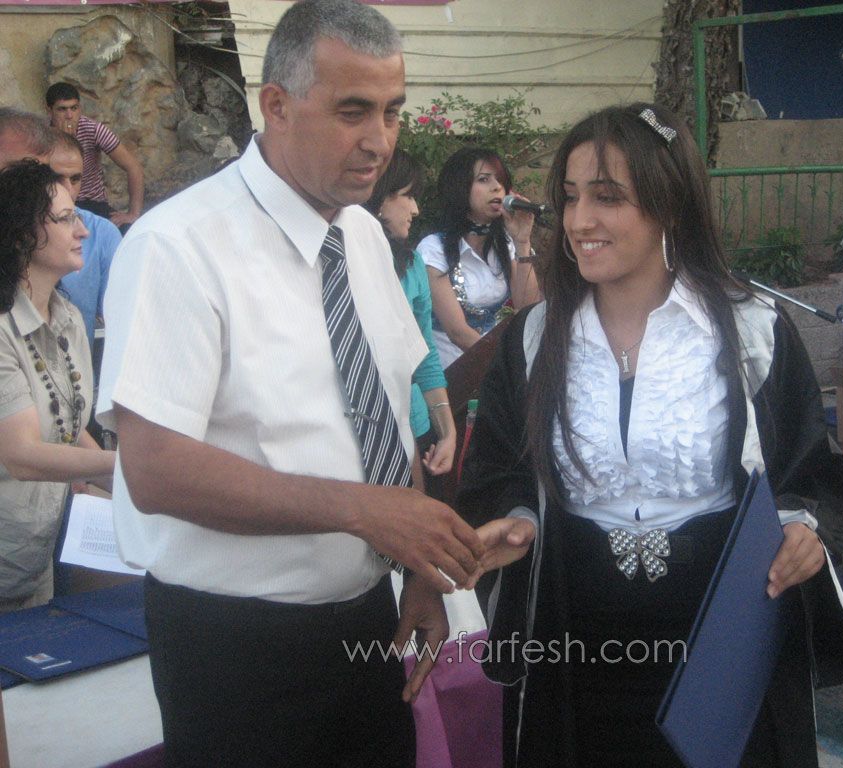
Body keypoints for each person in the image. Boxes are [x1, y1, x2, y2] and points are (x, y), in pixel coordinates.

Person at [96, 1, 483, 765]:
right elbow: (154, 469)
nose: (379, 141)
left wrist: (417, 566)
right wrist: (363, 511)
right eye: (352, 111)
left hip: (368, 621)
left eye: (392, 112)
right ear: (275, 105)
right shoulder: (179, 246)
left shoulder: (363, 235)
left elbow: (382, 411)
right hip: (235, 647)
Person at [458, 103, 843, 768]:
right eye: (571, 197)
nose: (579, 221)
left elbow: (801, 468)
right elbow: (500, 465)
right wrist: (518, 517)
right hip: (577, 638)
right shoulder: (534, 339)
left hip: (723, 634)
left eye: (607, 196)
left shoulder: (750, 330)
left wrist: (801, 530)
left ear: (669, 205)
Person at [0, 160, 115, 611]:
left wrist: (132, 485)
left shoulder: (66, 317)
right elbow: (22, 454)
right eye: (66, 219)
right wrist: (133, 468)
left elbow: (68, 427)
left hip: (33, 560)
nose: (83, 230)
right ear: (22, 235)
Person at [366, 148, 456, 496]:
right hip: (362, 428)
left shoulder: (413, 264)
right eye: (407, 196)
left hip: (414, 424)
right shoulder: (343, 262)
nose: (416, 209)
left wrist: (447, 430)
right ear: (379, 197)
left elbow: (424, 351)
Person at [417, 146, 540, 368]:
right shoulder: (434, 249)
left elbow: (528, 308)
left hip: (495, 365)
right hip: (453, 371)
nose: (497, 187)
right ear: (459, 188)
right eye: (484, 179)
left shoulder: (506, 243)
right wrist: (507, 366)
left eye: (501, 180)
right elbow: (457, 332)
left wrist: (523, 243)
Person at [48, 131, 121, 348]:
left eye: (75, 179)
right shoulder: (16, 230)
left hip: (80, 363)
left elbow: (118, 316)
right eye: (56, 178)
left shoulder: (102, 233)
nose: (68, 189)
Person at [45, 82, 145, 227]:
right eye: (62, 109)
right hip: (53, 200)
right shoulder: (41, 134)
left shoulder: (93, 130)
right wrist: (63, 141)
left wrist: (133, 214)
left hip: (91, 202)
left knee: (126, 231)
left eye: (74, 108)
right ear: (49, 110)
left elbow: (133, 167)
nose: (69, 116)